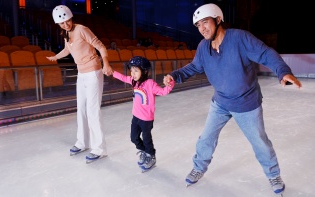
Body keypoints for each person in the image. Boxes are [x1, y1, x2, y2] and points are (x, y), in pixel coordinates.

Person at [163, 3, 302, 195]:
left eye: (205, 22)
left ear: (218, 20)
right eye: (198, 26)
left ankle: (273, 175)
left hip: (246, 103)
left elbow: (265, 53)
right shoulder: (204, 47)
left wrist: (283, 71)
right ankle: (199, 167)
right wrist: (175, 75)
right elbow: (194, 67)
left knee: (260, 143)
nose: (202, 29)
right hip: (220, 102)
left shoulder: (239, 38)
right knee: (206, 139)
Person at [47, 5, 113, 163]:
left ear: (71, 18)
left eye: (67, 21)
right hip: (81, 74)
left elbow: (100, 46)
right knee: (81, 109)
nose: (65, 25)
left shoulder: (82, 29)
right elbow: (67, 50)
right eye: (62, 23)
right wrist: (55, 57)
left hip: (93, 72)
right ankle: (83, 142)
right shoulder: (66, 34)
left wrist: (106, 64)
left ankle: (99, 148)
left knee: (92, 110)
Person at [112, 56, 175, 171]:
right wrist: (112, 72)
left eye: (136, 70)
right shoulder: (133, 81)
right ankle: (145, 151)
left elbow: (162, 92)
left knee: (146, 139)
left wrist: (170, 84)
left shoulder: (150, 83)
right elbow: (123, 77)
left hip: (146, 119)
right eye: (131, 70)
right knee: (134, 138)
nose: (133, 73)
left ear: (144, 71)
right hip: (135, 117)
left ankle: (151, 155)